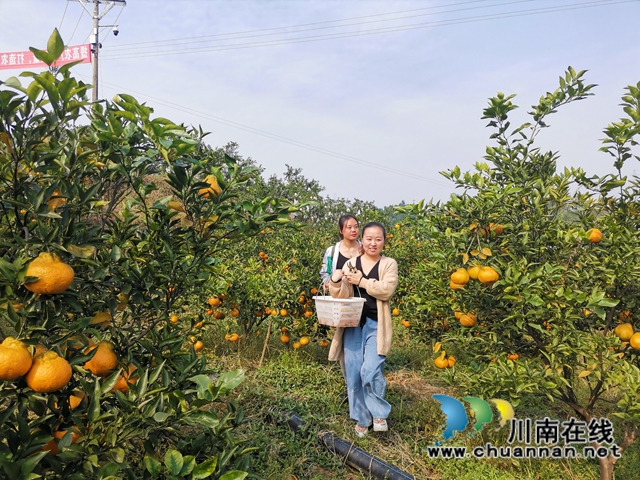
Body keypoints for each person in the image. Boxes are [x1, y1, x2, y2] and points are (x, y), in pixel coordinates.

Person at [327, 222, 398, 437]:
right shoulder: (351, 263)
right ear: (362, 241)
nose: (373, 243)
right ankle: (362, 417)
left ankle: (378, 412)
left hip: (376, 324)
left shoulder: (388, 264)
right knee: (354, 371)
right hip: (352, 324)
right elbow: (341, 295)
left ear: (384, 241)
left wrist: (362, 281)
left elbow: (386, 291)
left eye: (378, 239)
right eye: (369, 238)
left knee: (371, 368)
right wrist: (336, 280)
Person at [320, 214, 361, 292]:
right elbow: (326, 272)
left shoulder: (365, 250)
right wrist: (327, 282)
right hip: (340, 297)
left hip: (363, 299)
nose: (353, 230)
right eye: (349, 227)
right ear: (341, 230)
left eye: (356, 227)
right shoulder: (332, 251)